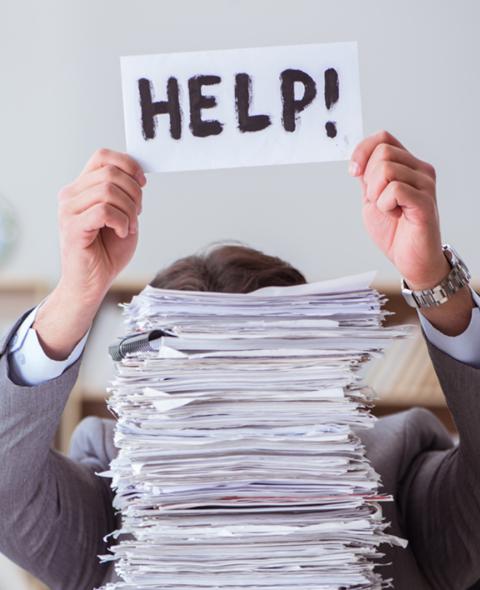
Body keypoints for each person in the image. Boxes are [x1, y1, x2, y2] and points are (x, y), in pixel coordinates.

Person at [0, 131, 479, 590]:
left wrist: (432, 278)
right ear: (148, 393)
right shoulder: (108, 490)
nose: (236, 439)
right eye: (199, 400)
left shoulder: (398, 475)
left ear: (319, 380)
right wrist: (75, 295)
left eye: (264, 389)